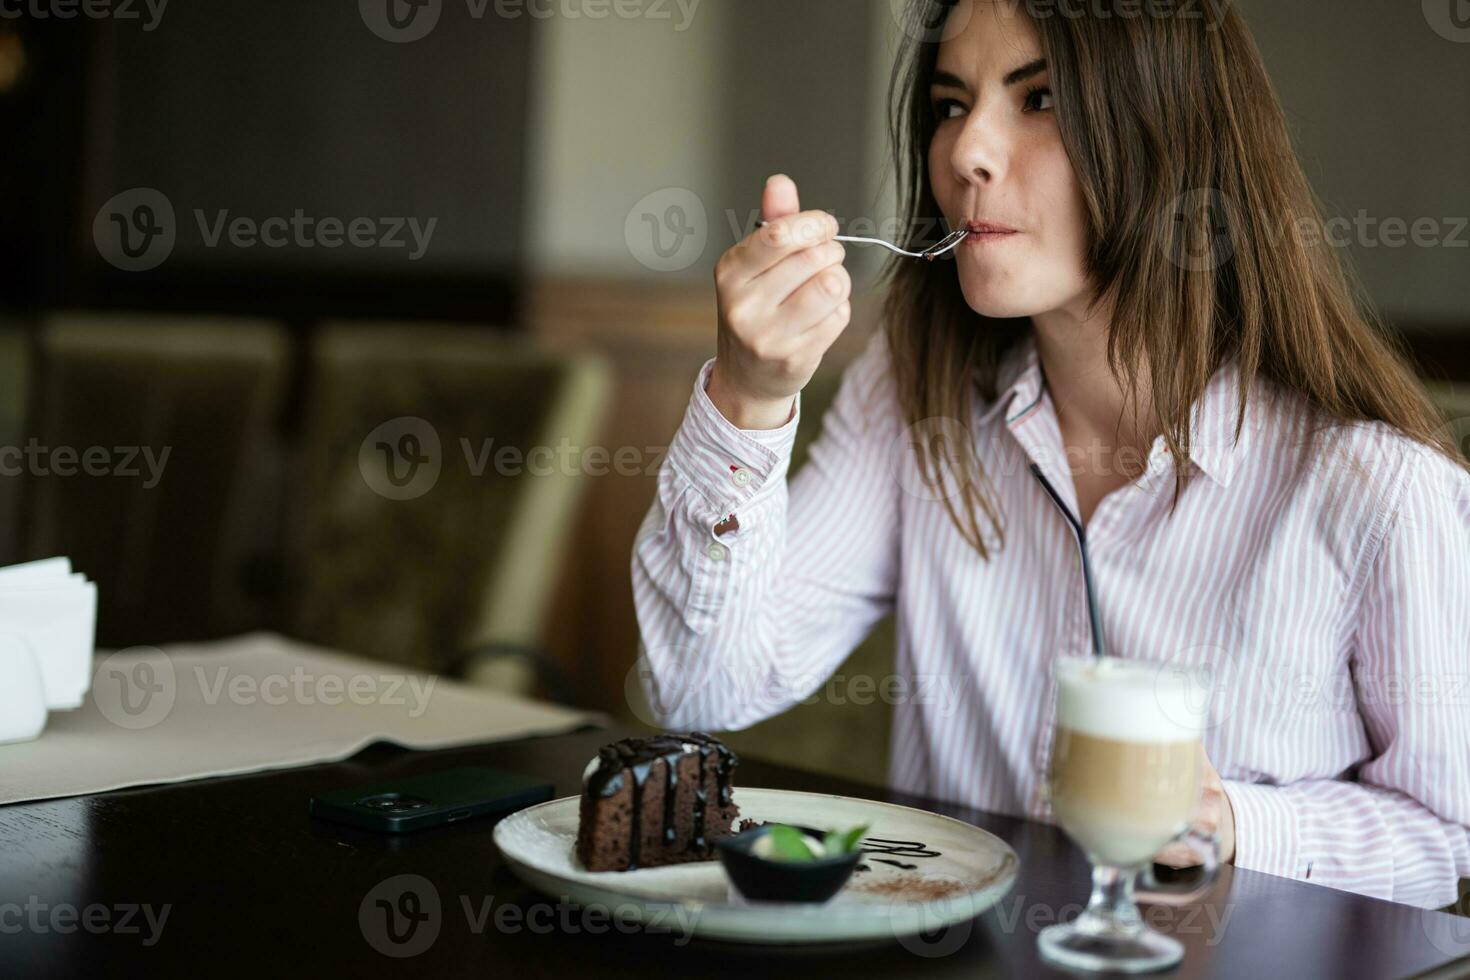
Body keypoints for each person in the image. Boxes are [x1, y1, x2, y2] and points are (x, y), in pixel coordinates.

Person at [631, 0, 1470, 909]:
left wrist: (1239, 824)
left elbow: (1450, 835)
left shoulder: (1378, 486)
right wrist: (749, 400)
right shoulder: (916, 393)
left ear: (1174, 132)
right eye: (951, 104)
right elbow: (695, 686)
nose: (965, 153)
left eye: (1041, 99)